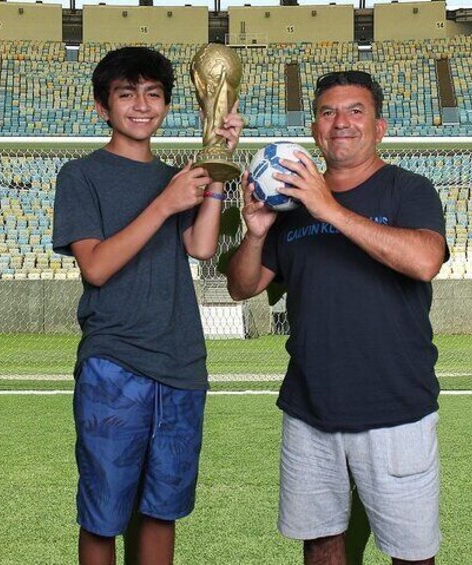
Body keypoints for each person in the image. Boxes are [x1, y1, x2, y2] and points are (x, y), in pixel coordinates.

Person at [226, 70, 448, 565]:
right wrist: (258, 231)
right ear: (314, 128)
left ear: (379, 127)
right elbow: (242, 286)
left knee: (412, 555)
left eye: (355, 111)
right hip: (310, 409)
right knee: (322, 545)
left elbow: (424, 261)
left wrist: (330, 209)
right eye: (328, 112)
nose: (341, 122)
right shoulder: (290, 205)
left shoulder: (408, 189)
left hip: (395, 409)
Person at [52, 46, 242, 565]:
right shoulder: (80, 176)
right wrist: (165, 204)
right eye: (126, 93)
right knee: (104, 514)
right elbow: (96, 266)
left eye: (153, 94)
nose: (141, 105)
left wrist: (215, 170)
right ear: (102, 107)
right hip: (114, 362)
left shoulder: (174, 176)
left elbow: (202, 247)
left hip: (181, 362)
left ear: (167, 105)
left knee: (162, 510)